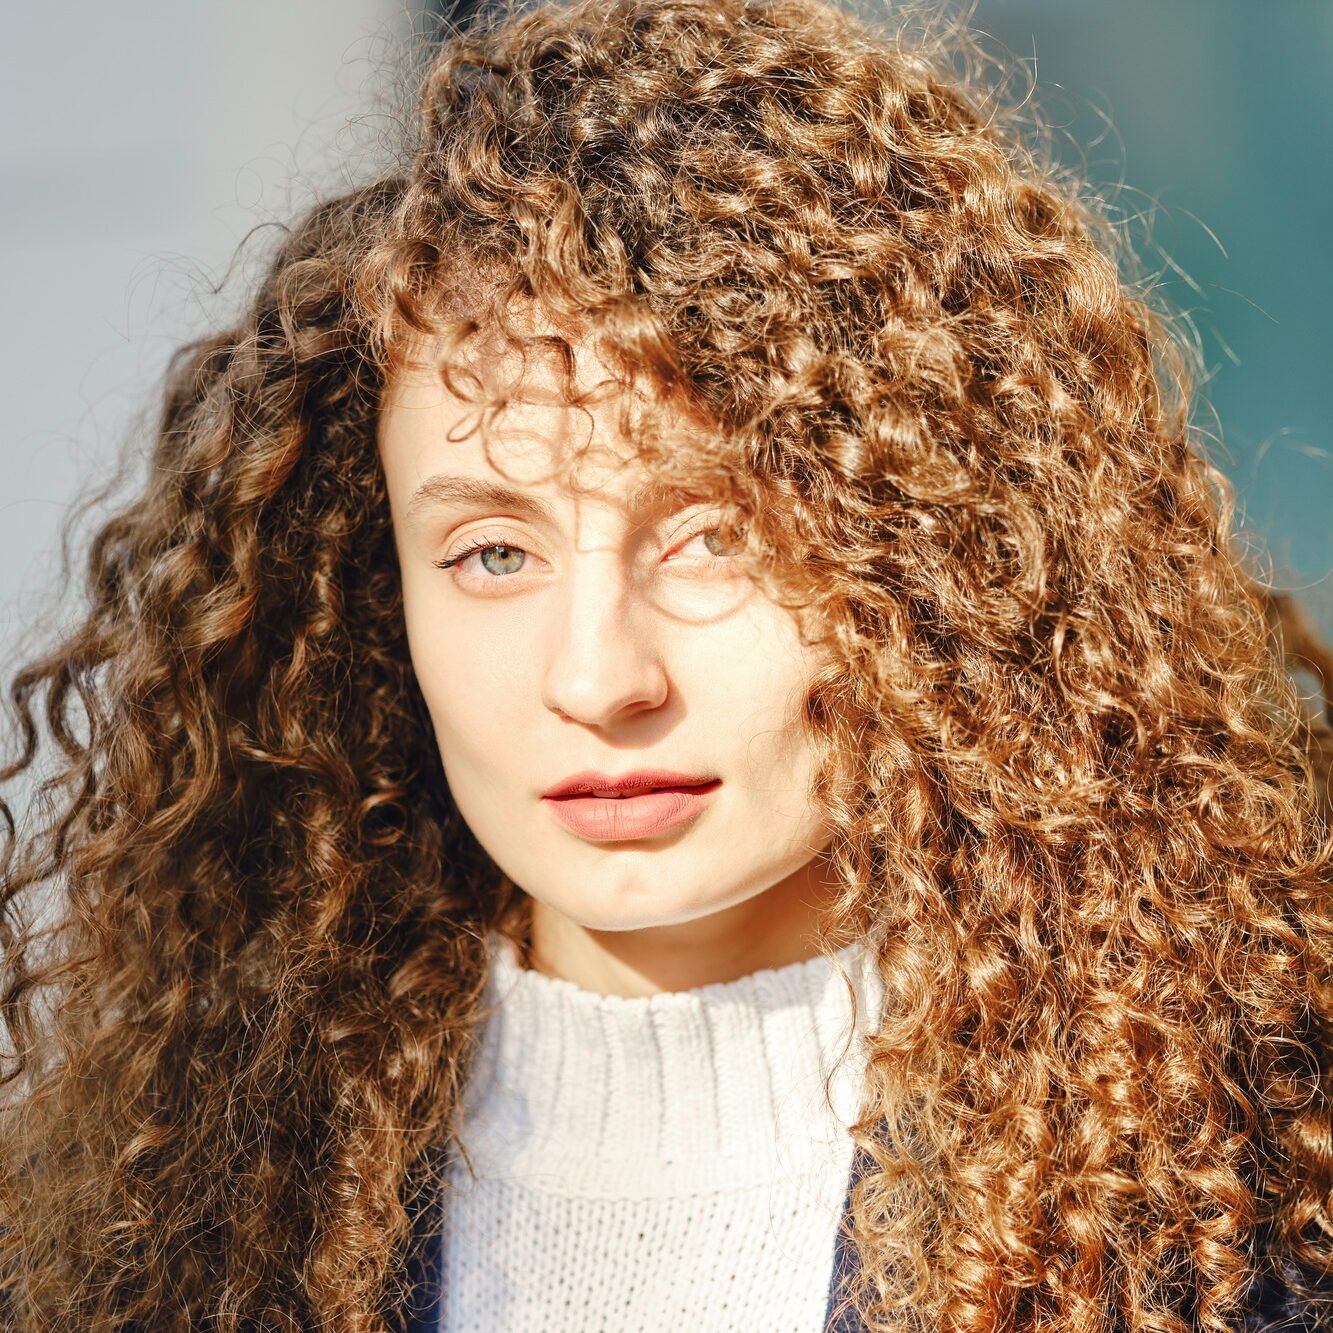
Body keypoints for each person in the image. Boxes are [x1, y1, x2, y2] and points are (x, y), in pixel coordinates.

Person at [2, 0, 1331, 1328]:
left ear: (935, 559)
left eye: (716, 537)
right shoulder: (159, 1238)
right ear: (371, 596)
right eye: (492, 553)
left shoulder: (1241, 1217)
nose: (597, 680)